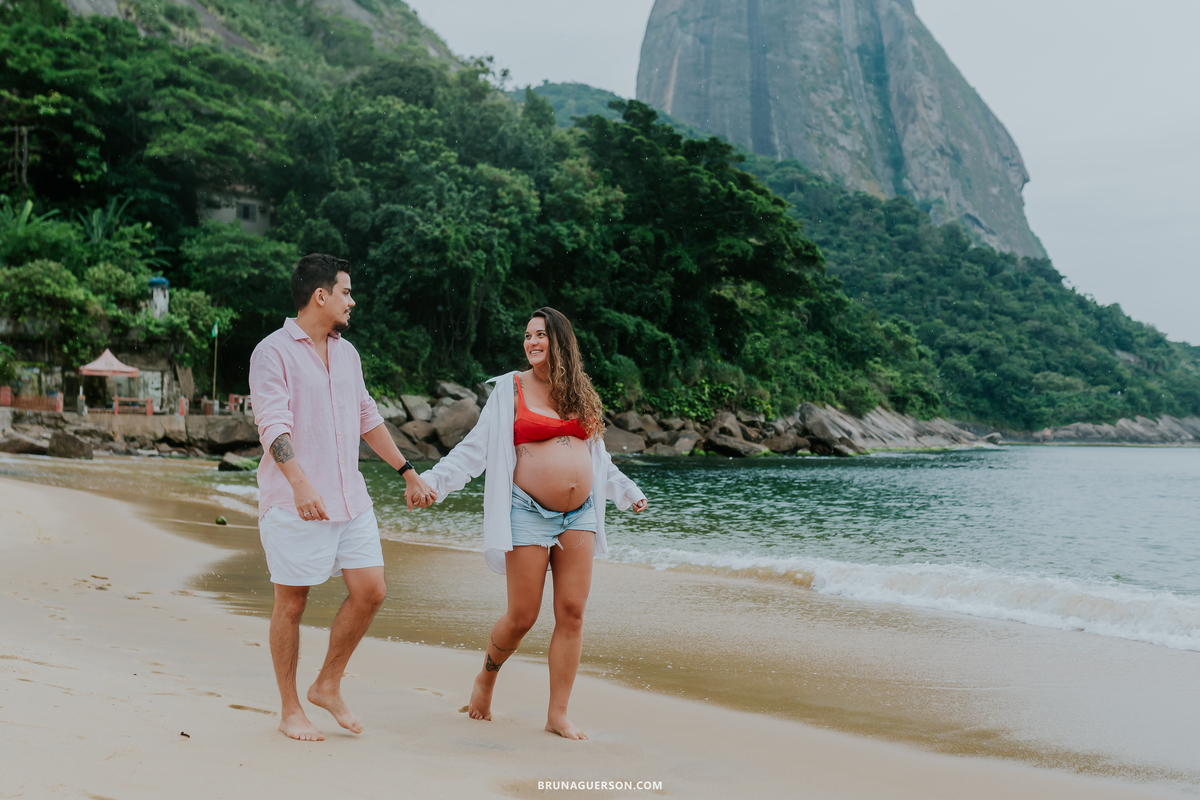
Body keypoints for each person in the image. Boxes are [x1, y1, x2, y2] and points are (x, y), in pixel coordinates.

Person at [415, 307, 647, 740]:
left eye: (541, 335)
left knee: (572, 613)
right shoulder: (510, 389)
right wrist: (430, 483)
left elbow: (599, 459)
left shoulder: (581, 393)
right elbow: (474, 450)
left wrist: (627, 491)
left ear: (561, 340)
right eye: (528, 336)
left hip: (579, 515)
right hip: (527, 511)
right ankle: (486, 677)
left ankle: (557, 713)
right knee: (522, 616)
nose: (532, 342)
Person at [249, 253, 436, 741]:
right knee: (291, 602)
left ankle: (327, 684)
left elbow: (367, 418)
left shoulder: (347, 353)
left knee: (371, 590)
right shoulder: (272, 353)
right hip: (296, 501)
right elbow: (273, 424)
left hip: (350, 499)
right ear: (321, 295)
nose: (352, 301)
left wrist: (407, 472)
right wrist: (299, 482)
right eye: (346, 291)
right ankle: (290, 708)